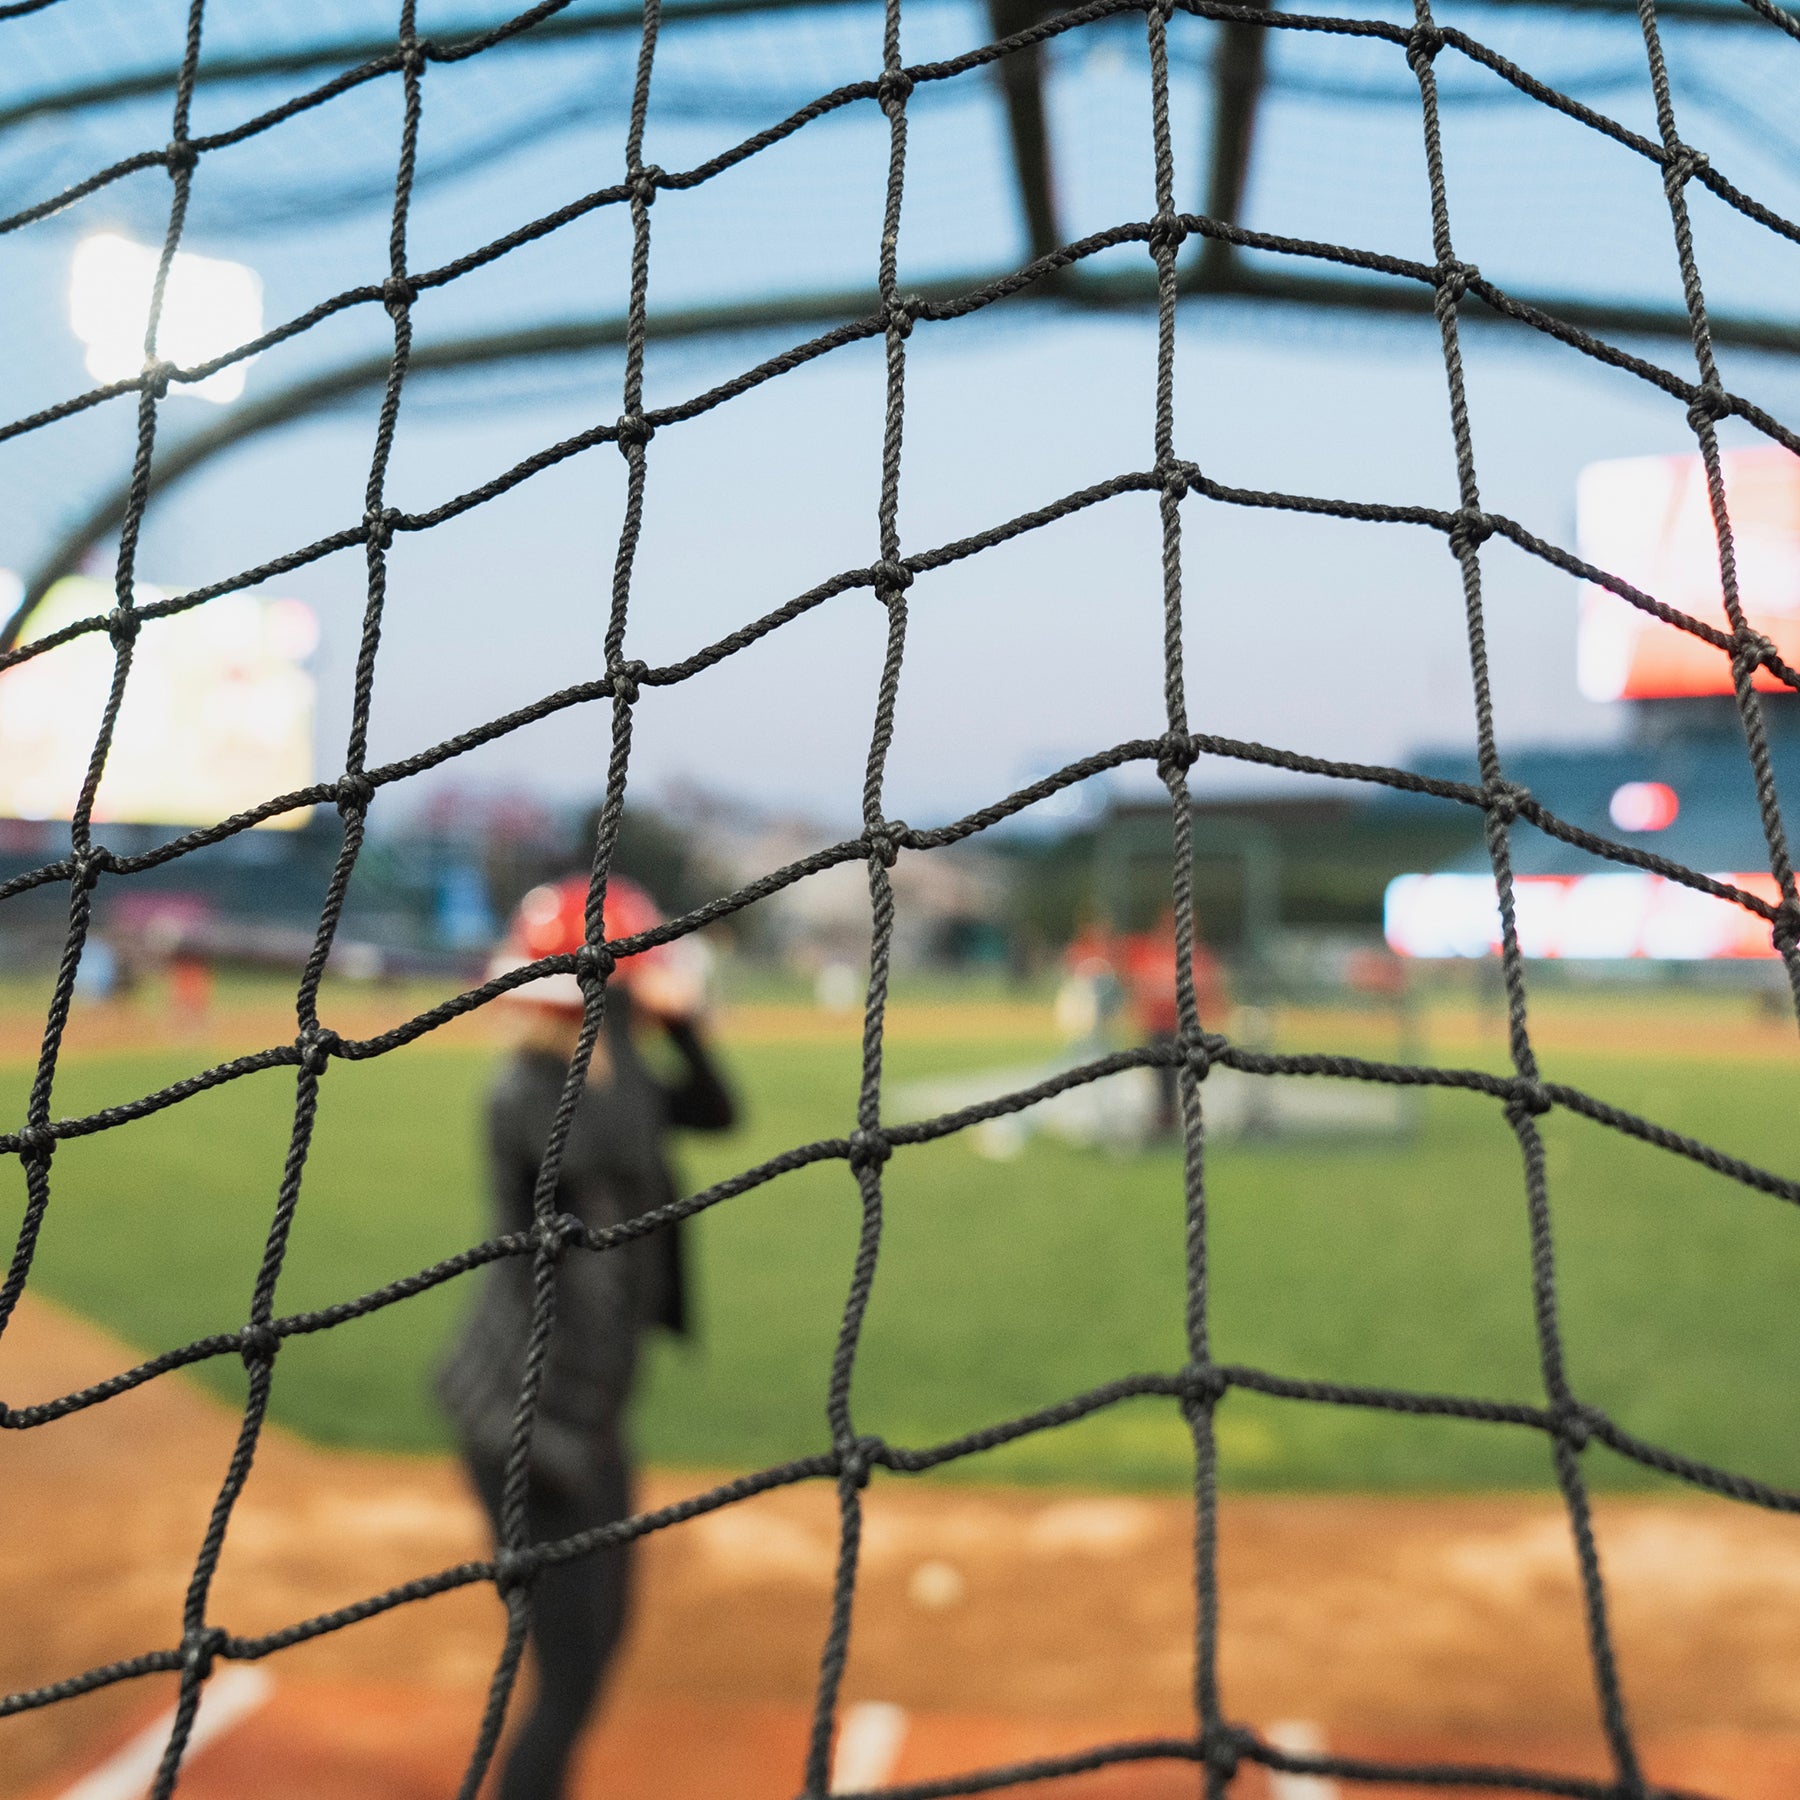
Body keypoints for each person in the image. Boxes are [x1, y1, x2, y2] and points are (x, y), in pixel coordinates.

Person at [437, 874, 736, 1800]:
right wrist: (628, 998)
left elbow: (719, 1113)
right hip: (529, 1422)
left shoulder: (616, 1067)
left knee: (602, 1640)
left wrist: (669, 1021)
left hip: (593, 1409)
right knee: (568, 1671)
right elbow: (602, 1143)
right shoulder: (531, 1091)